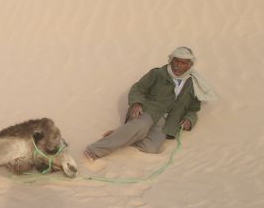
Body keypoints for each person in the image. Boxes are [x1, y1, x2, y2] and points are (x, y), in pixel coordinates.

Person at [84, 46, 216, 161]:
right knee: (140, 126)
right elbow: (137, 89)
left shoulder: (193, 84)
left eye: (183, 63)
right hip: (148, 111)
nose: (178, 65)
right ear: (171, 60)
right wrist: (136, 103)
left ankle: (122, 134)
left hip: (167, 121)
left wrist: (189, 120)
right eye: (176, 61)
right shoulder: (157, 73)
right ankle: (95, 150)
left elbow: (193, 109)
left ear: (190, 65)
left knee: (151, 148)